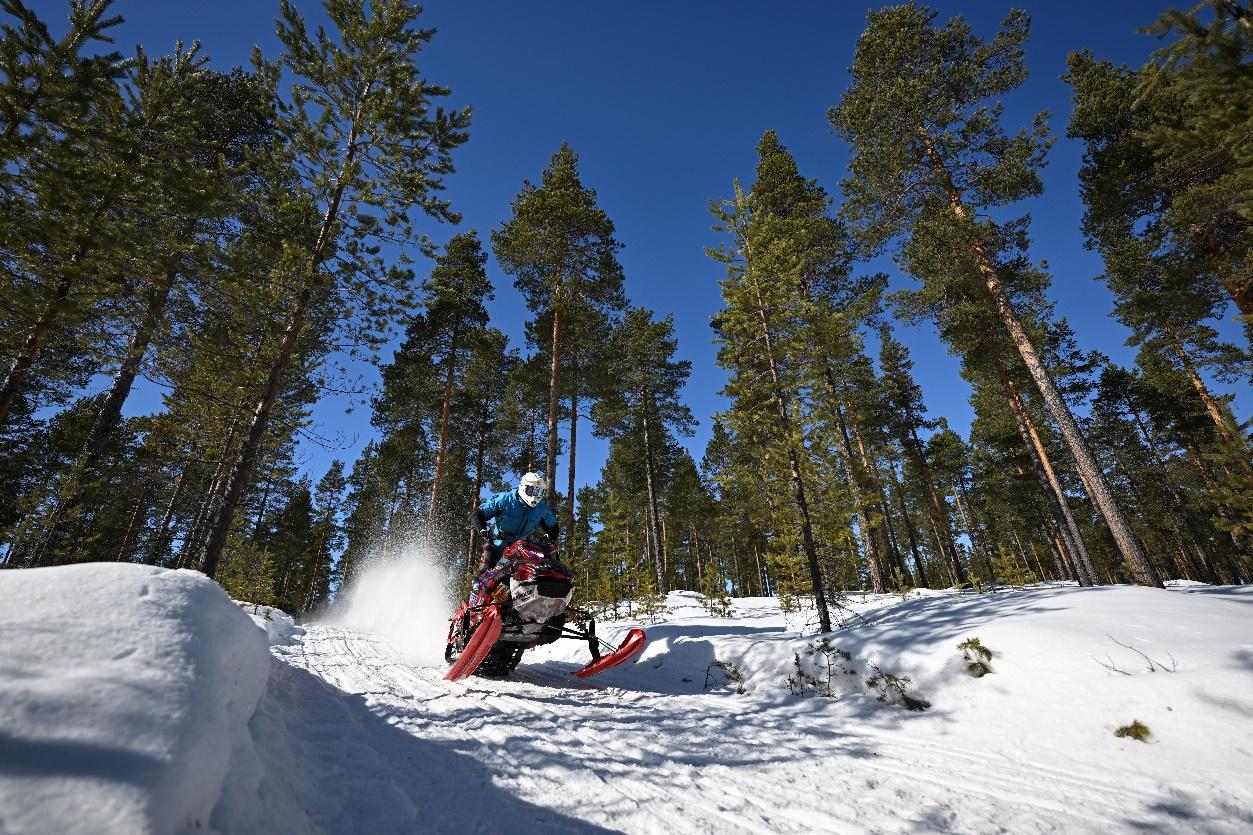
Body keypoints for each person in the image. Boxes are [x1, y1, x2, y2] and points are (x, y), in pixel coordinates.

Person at [468, 472, 558, 608]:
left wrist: (549, 538)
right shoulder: (505, 499)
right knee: (483, 577)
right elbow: (478, 513)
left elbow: (554, 527)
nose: (535, 495)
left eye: (539, 491)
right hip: (495, 546)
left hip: (518, 552)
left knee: (524, 580)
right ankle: (469, 611)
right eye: (531, 490)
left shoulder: (540, 509)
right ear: (522, 487)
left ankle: (517, 610)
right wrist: (482, 529)